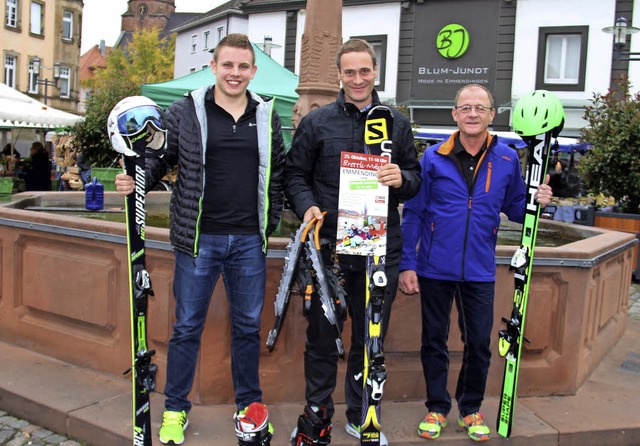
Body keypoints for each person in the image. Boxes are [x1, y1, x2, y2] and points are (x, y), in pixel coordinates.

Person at [114, 33, 285, 445]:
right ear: (214, 66)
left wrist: (271, 220)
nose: (235, 73)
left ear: (253, 71)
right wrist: (135, 179)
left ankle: (250, 408)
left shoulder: (266, 113)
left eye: (243, 67)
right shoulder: (185, 110)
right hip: (198, 239)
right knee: (186, 326)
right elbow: (159, 158)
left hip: (247, 240)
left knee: (247, 328)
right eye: (228, 65)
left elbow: (276, 170)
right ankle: (175, 410)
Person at [398, 85, 555, 442]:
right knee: (434, 341)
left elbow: (516, 208)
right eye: (465, 108)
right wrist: (408, 263)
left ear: (492, 114)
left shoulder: (506, 159)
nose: (472, 114)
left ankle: (470, 409)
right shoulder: (434, 156)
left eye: (479, 108)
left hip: (480, 269)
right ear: (454, 114)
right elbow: (415, 214)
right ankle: (437, 408)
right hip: (434, 266)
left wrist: (538, 199)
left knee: (479, 344)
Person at [285, 38, 421, 445]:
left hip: (379, 247)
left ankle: (363, 414)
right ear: (339, 75)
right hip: (329, 247)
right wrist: (307, 206)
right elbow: (294, 175)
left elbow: (414, 179)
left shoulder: (395, 122)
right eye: (350, 72)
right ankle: (318, 413)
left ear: (375, 72)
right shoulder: (317, 121)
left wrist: (403, 179)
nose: (358, 79)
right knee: (323, 336)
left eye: (365, 71)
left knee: (370, 336)